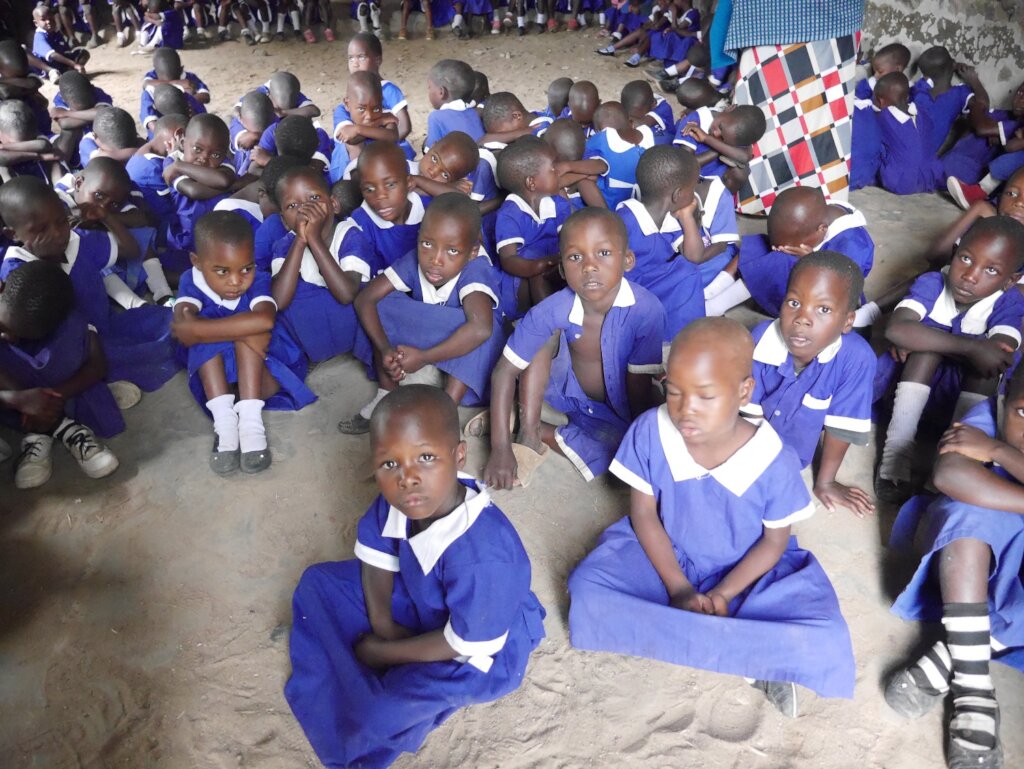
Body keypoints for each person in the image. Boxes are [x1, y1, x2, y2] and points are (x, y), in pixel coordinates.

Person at [567, 317, 856, 717]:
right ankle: (748, 655)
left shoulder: (771, 458)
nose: (686, 411)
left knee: (824, 634)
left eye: (706, 396)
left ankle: (705, 635)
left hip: (747, 568)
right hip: (666, 552)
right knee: (588, 588)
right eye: (675, 392)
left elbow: (773, 543)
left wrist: (723, 594)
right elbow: (644, 516)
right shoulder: (651, 431)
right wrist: (678, 588)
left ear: (743, 392)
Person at [285, 384, 546, 769]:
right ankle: (374, 666)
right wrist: (384, 625)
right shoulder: (404, 499)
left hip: (478, 642)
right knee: (318, 585)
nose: (407, 478)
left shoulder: (486, 556)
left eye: (426, 457)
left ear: (459, 455)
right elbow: (377, 557)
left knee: (382, 713)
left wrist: (383, 651)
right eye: (390, 464)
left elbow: (464, 644)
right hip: (421, 598)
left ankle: (369, 675)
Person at [885, 373, 1024, 769]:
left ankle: (954, 653)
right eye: (1023, 412)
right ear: (1005, 391)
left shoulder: (996, 438)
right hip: (968, 564)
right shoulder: (987, 414)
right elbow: (950, 475)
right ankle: (972, 685)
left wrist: (998, 450)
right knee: (968, 510)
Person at [484, 208, 665, 487]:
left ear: (627, 260)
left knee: (630, 447)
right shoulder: (550, 310)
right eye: (575, 257)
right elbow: (504, 372)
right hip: (563, 391)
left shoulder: (648, 310)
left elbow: (637, 388)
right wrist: (499, 449)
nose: (589, 266)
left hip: (619, 402)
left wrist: (640, 437)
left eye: (603, 253)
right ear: (561, 268)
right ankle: (528, 430)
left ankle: (531, 426)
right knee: (539, 336)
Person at [875, 217, 1024, 502]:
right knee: (924, 351)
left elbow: (997, 357)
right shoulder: (933, 282)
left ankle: (947, 459)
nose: (970, 275)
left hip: (963, 403)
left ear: (1010, 281)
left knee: (986, 369)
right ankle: (895, 457)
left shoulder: (1009, 303)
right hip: (913, 392)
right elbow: (897, 328)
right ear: (955, 252)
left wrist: (923, 337)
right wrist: (970, 348)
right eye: (966, 258)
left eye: (991, 270)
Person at [341, 193, 505, 433]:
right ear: (419, 238)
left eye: (452, 251)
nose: (435, 260)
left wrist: (425, 357)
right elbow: (366, 299)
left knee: (482, 329)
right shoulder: (416, 260)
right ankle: (386, 392)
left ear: (472, 252)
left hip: (463, 367)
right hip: (423, 352)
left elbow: (480, 329)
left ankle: (445, 411)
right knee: (382, 303)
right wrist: (385, 347)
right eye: (427, 244)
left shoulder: (476, 268)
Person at [172, 210, 316, 475]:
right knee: (224, 337)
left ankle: (250, 423)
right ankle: (225, 423)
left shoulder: (258, 280)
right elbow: (183, 328)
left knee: (242, 336)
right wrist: (233, 330)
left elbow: (265, 321)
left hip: (264, 371)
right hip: (217, 383)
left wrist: (203, 329)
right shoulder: (190, 282)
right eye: (222, 271)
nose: (236, 281)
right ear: (197, 262)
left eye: (245, 268)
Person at [741, 252, 876, 518]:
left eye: (823, 309)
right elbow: (746, 417)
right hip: (750, 436)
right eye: (794, 302)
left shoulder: (856, 359)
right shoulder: (760, 340)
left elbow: (842, 426)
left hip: (794, 451)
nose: (802, 318)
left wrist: (825, 481)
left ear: (847, 321)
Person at [0, 261, 121, 489]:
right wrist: (18, 400)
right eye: (4, 327)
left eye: (19, 335)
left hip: (39, 386)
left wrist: (48, 400)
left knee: (69, 348)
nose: (7, 337)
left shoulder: (69, 321)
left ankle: (45, 425)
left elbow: (97, 366)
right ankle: (60, 427)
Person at [706, 186, 875, 324]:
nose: (778, 248)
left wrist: (812, 261)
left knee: (778, 261)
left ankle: (714, 307)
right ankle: (713, 290)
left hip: (818, 295)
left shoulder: (854, 245)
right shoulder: (816, 211)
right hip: (805, 271)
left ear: (821, 229)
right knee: (759, 244)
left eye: (786, 245)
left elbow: (845, 287)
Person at [270, 166, 375, 362]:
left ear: (334, 205)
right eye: (292, 206)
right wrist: (301, 241)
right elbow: (279, 300)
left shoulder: (350, 235)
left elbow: (346, 294)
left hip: (350, 323)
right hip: (313, 330)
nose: (305, 209)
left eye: (314, 198)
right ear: (284, 222)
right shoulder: (285, 245)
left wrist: (314, 239)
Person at [615, 144, 704, 340]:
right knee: (686, 274)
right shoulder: (624, 219)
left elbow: (695, 256)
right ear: (677, 195)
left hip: (653, 289)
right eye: (692, 189)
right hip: (625, 293)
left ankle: (683, 337)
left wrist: (687, 216)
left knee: (687, 270)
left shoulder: (671, 222)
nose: (694, 195)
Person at [494, 136, 574, 314]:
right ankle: (547, 325)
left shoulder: (558, 204)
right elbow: (508, 260)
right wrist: (539, 265)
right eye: (552, 169)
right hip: (521, 282)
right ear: (532, 182)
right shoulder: (509, 214)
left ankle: (568, 312)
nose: (558, 172)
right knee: (537, 271)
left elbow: (571, 237)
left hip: (553, 265)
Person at [162, 114, 236, 274]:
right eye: (197, 149)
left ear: (224, 154)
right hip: (186, 236)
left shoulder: (178, 165)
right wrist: (235, 184)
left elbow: (222, 180)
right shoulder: (172, 160)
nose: (203, 158)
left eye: (215, 155)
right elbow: (193, 191)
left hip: (218, 234)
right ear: (183, 142)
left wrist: (180, 167)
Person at [350, 141, 430, 270]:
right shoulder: (360, 224)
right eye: (369, 189)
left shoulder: (430, 210)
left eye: (390, 184)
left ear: (409, 183)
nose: (380, 196)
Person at [945, 80, 1024, 208]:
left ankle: (979, 193)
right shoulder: (1006, 117)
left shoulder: (1014, 124)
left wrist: (977, 106)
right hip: (956, 165)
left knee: (1011, 160)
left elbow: (1008, 145)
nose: (1020, 98)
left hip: (965, 170)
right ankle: (983, 196)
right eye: (1019, 92)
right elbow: (979, 126)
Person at [850, 43, 910, 191]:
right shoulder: (868, 84)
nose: (876, 75)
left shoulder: (906, 89)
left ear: (898, 69)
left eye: (880, 71)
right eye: (875, 70)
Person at [875, 73, 945, 195]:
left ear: (880, 101)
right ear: (907, 97)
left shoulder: (884, 117)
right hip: (930, 179)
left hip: (901, 183)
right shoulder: (923, 113)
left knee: (875, 142)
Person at [674, 103, 766, 190]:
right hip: (681, 176)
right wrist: (722, 148)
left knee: (741, 173)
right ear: (729, 108)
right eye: (720, 127)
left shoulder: (739, 136)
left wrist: (707, 139)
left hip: (708, 182)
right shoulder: (695, 121)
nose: (716, 133)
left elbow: (745, 156)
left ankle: (718, 200)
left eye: (723, 138)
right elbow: (684, 165)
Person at [580, 101, 654, 209]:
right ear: (631, 122)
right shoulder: (647, 132)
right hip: (648, 204)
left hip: (614, 208)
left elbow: (585, 173)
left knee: (583, 178)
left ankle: (604, 215)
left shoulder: (600, 139)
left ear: (598, 131)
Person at [329, 71, 399, 181]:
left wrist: (357, 129)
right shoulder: (342, 112)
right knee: (355, 145)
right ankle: (359, 183)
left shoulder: (386, 112)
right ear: (347, 104)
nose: (369, 116)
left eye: (376, 108)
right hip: (343, 174)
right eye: (361, 109)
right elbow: (352, 139)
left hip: (379, 171)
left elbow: (393, 136)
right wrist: (377, 122)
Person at [49, 70, 112, 167]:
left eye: (87, 107)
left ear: (92, 88)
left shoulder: (97, 92)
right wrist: (91, 114)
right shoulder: (61, 96)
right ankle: (64, 167)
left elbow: (104, 112)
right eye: (78, 109)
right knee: (68, 131)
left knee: (110, 123)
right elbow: (65, 124)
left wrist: (67, 113)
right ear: (63, 98)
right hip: (75, 141)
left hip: (99, 138)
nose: (84, 110)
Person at [0, 99, 64, 186]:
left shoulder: (35, 134)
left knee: (53, 158)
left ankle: (61, 189)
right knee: (3, 168)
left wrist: (6, 147)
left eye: (27, 141)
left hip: (42, 186)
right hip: (17, 193)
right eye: (13, 142)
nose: (24, 147)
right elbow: (2, 159)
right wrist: (40, 156)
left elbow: (44, 145)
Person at [424, 59, 484, 152]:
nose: (429, 91)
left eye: (430, 87)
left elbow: (430, 151)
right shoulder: (474, 112)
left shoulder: (436, 117)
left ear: (441, 92)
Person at [31, 4, 89, 78]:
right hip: (48, 65)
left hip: (58, 61)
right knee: (61, 64)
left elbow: (63, 50)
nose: (48, 21)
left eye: (50, 18)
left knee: (83, 53)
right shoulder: (39, 36)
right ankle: (60, 74)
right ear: (36, 23)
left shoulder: (55, 31)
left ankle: (69, 72)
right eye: (43, 20)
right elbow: (52, 55)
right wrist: (74, 64)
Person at [620, 79, 675, 145]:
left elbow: (642, 124)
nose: (630, 119)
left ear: (653, 104)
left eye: (635, 118)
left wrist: (620, 115)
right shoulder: (641, 103)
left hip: (668, 145)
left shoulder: (663, 108)